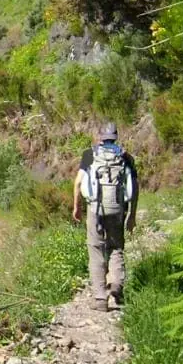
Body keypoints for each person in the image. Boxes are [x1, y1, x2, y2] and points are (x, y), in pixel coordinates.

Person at [72, 122, 138, 312]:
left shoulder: (89, 154)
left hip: (95, 210)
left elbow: (78, 183)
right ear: (116, 136)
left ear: (99, 136)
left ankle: (100, 299)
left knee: (96, 250)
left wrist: (77, 208)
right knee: (116, 247)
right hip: (118, 210)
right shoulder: (125, 157)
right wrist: (132, 215)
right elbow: (134, 188)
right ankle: (116, 285)